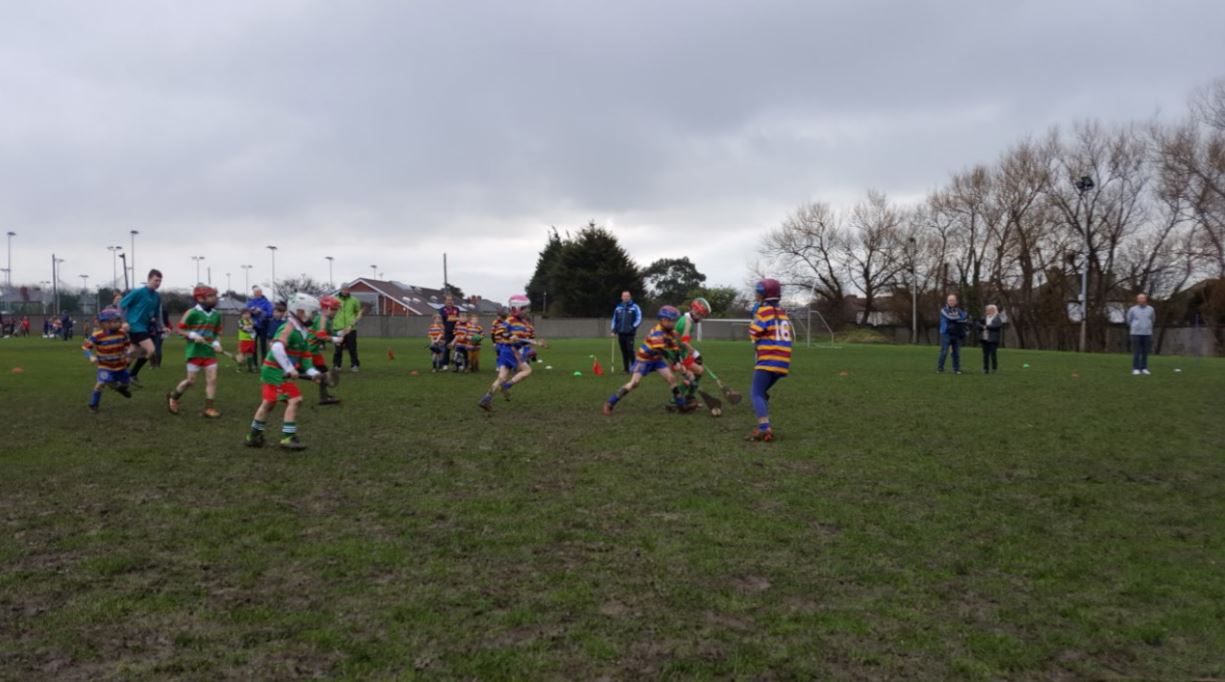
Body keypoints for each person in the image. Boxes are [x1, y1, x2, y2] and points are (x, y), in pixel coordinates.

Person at [244, 293, 323, 451]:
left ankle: (253, 436)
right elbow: (277, 347)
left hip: (275, 371)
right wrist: (289, 368)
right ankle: (287, 438)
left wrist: (314, 373)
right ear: (300, 311)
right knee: (295, 399)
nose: (313, 317)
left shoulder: (303, 331)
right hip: (275, 371)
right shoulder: (289, 327)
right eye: (312, 312)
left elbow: (306, 358)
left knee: (269, 403)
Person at [603, 305, 689, 415]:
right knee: (634, 383)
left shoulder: (670, 332)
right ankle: (610, 403)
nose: (674, 324)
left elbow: (674, 348)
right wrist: (675, 363)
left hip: (657, 359)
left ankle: (681, 405)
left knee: (671, 378)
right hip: (644, 359)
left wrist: (679, 362)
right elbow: (661, 349)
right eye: (672, 321)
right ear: (663, 320)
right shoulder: (657, 331)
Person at [167, 286, 225, 418]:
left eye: (215, 296)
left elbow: (217, 333)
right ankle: (173, 397)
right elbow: (179, 330)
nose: (214, 298)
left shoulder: (216, 315)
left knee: (212, 379)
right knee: (190, 381)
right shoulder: (192, 313)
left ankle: (209, 409)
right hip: (194, 351)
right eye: (211, 296)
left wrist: (216, 343)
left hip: (209, 352)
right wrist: (193, 335)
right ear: (200, 298)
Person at [747, 279, 793, 442]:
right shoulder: (782, 312)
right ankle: (765, 425)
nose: (755, 294)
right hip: (783, 360)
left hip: (769, 358)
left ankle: (764, 428)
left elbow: (754, 332)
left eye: (757, 291)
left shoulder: (764, 311)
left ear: (764, 294)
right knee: (763, 392)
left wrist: (754, 316)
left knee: (756, 393)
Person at [477, 295, 540, 412]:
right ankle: (506, 386)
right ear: (517, 308)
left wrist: (534, 342)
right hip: (511, 351)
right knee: (527, 370)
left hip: (507, 351)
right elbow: (501, 332)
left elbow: (523, 339)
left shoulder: (523, 323)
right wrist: (511, 336)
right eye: (526, 308)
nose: (528, 311)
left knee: (501, 377)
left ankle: (486, 398)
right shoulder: (510, 320)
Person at [81, 307, 133, 412]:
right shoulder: (97, 335)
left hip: (120, 365)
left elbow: (128, 345)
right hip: (105, 365)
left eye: (117, 321)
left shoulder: (122, 333)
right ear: (103, 323)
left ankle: (119, 388)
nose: (116, 324)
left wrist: (128, 355)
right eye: (112, 321)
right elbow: (85, 347)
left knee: (126, 383)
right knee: (101, 383)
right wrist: (90, 356)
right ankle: (93, 404)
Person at [120, 269, 165, 387]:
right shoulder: (138, 292)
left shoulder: (157, 297)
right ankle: (132, 375)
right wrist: (124, 321)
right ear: (149, 279)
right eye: (156, 280)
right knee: (151, 350)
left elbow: (155, 315)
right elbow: (121, 305)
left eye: (160, 281)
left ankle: (117, 375)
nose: (158, 283)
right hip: (134, 326)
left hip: (144, 328)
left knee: (132, 354)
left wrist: (161, 326)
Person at [673, 297, 712, 406]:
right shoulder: (687, 323)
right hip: (677, 355)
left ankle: (689, 397)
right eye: (701, 315)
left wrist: (693, 354)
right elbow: (684, 343)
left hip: (681, 353)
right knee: (692, 376)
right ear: (694, 311)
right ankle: (676, 400)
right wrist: (696, 354)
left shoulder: (684, 319)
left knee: (698, 371)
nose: (701, 318)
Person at [307, 295, 343, 405]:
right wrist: (335, 339)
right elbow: (321, 336)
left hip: (314, 351)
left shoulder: (325, 319)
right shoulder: (321, 319)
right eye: (333, 309)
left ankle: (324, 397)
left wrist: (340, 333)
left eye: (336, 309)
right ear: (325, 308)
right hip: (308, 351)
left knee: (324, 372)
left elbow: (329, 333)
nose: (335, 312)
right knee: (321, 375)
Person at [332, 284, 363, 373]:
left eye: (347, 289)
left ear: (349, 290)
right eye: (344, 289)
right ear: (341, 290)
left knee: (352, 348)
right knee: (338, 349)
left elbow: (359, 312)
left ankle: (354, 365)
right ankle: (337, 365)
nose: (346, 291)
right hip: (338, 328)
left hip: (351, 329)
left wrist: (356, 319)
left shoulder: (354, 300)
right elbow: (331, 311)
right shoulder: (335, 300)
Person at [610, 290, 643, 374]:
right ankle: (626, 369)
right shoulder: (618, 307)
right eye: (624, 296)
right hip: (621, 333)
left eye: (627, 296)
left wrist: (633, 327)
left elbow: (639, 318)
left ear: (630, 297)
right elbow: (615, 320)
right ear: (621, 297)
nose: (625, 298)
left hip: (630, 333)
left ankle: (634, 368)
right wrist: (614, 330)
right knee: (624, 351)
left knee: (630, 350)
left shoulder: (635, 307)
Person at [936, 294, 968, 375]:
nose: (952, 302)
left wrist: (958, 318)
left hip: (956, 334)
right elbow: (949, 317)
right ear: (947, 301)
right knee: (944, 352)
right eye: (950, 300)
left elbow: (965, 316)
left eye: (953, 300)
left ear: (956, 301)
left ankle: (956, 369)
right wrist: (959, 318)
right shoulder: (943, 310)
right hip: (946, 333)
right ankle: (940, 368)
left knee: (956, 352)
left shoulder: (958, 310)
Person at [1126, 293, 1155, 375]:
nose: (1141, 300)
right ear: (1137, 300)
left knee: (1145, 351)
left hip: (1147, 333)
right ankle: (1136, 368)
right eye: (1140, 299)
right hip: (1135, 333)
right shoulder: (1132, 309)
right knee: (1136, 351)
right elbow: (1129, 320)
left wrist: (1148, 327)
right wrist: (1135, 326)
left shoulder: (1151, 309)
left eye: (1143, 299)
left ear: (1145, 300)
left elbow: (1153, 319)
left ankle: (1144, 368)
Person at [247, 286, 274, 363]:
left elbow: (270, 313)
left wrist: (261, 311)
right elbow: (246, 311)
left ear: (261, 293)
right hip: (253, 326)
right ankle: (254, 363)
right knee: (253, 345)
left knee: (263, 345)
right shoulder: (250, 302)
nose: (257, 294)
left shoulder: (266, 302)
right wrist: (251, 312)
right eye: (256, 292)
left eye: (259, 292)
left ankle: (264, 363)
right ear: (254, 293)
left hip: (263, 325)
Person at [976, 304, 1004, 374]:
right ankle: (985, 368)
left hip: (993, 339)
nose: (987, 311)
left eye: (989, 310)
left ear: (993, 310)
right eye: (987, 310)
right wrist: (982, 326)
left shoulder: (997, 318)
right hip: (984, 338)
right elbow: (978, 324)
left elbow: (996, 326)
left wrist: (986, 327)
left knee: (993, 354)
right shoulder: (984, 318)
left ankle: (994, 368)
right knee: (985, 355)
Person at [439, 295, 462, 370]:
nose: (450, 301)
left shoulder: (457, 309)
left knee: (458, 348)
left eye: (451, 300)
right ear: (445, 301)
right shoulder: (442, 309)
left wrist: (457, 318)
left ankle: (459, 364)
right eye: (448, 300)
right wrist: (457, 318)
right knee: (447, 348)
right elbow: (448, 318)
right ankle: (445, 364)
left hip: (457, 331)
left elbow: (458, 319)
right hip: (448, 331)